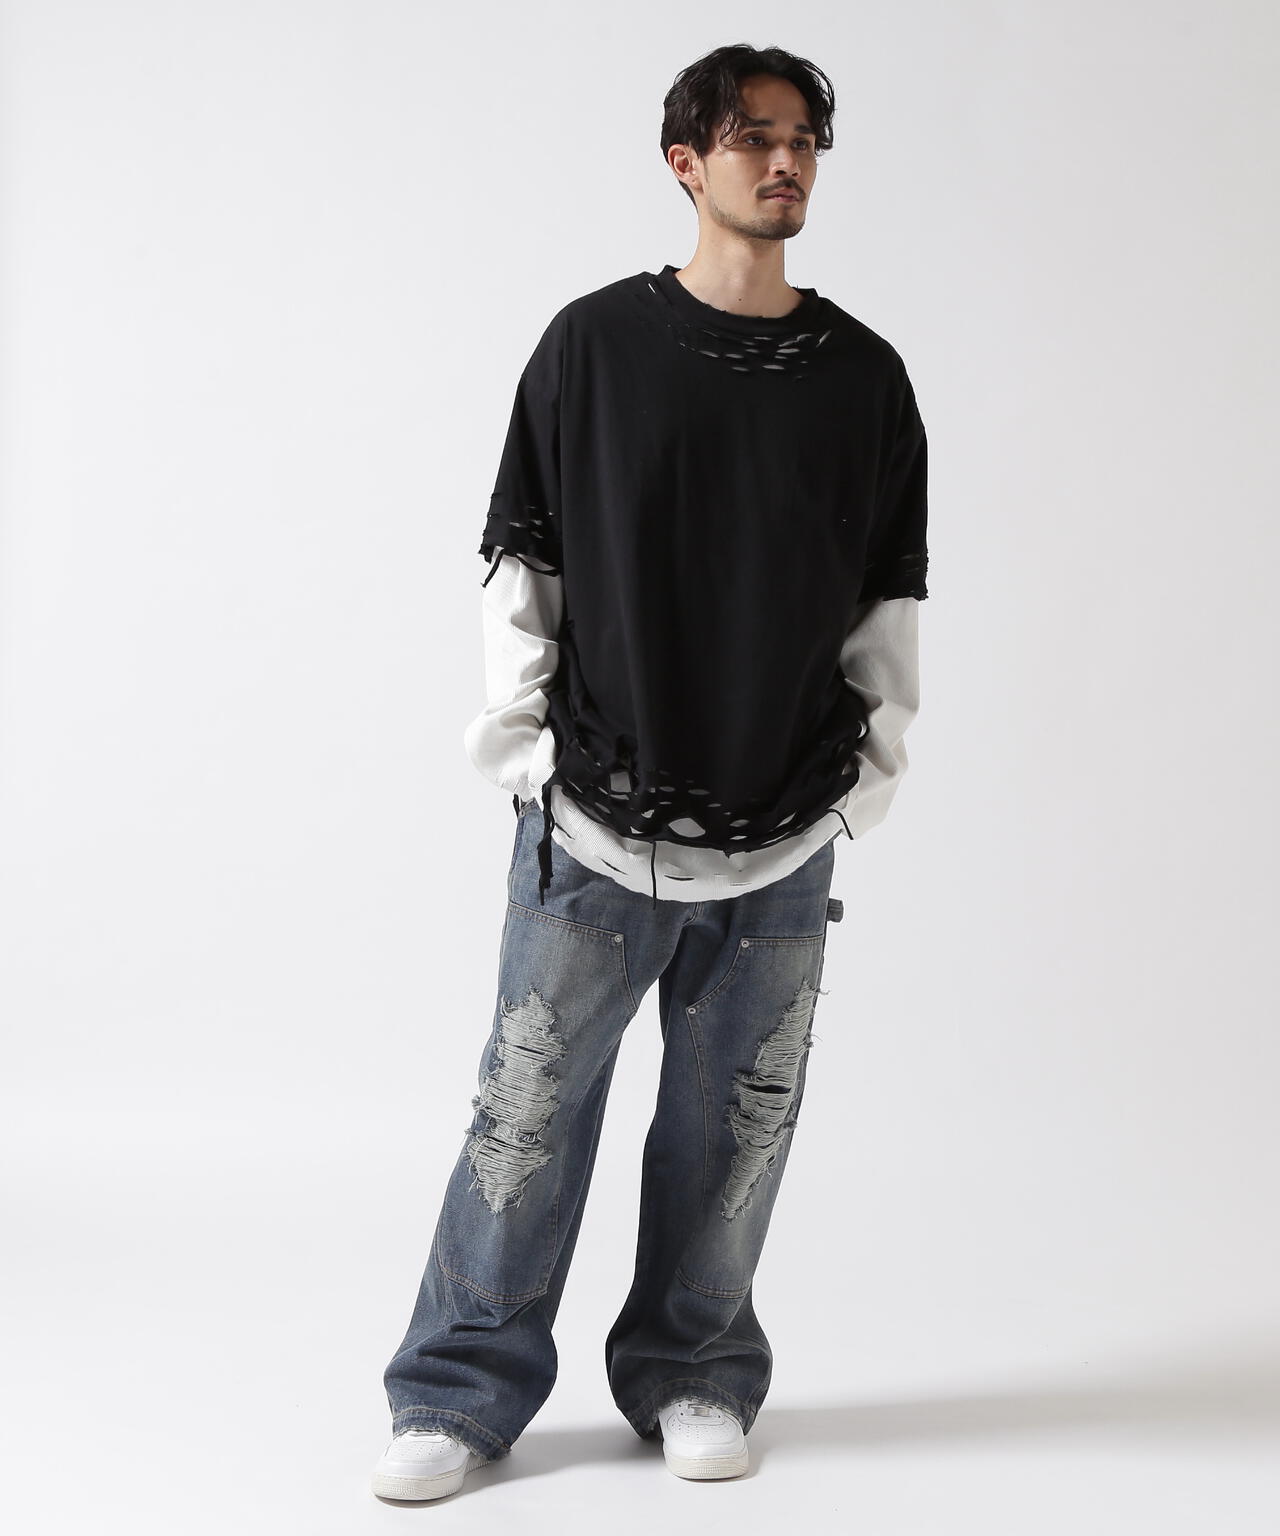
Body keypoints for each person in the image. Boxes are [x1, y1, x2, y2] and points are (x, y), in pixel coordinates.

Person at [373, 41, 929, 1501]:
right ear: (687, 162)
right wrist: (526, 761)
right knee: (525, 1115)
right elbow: (525, 562)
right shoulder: (593, 349)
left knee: (737, 1127)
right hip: (595, 818)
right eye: (752, 137)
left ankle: (694, 1367)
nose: (785, 161)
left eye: (804, 139)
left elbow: (887, 600)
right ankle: (460, 1389)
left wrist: (863, 783)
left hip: (784, 830)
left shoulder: (865, 380)